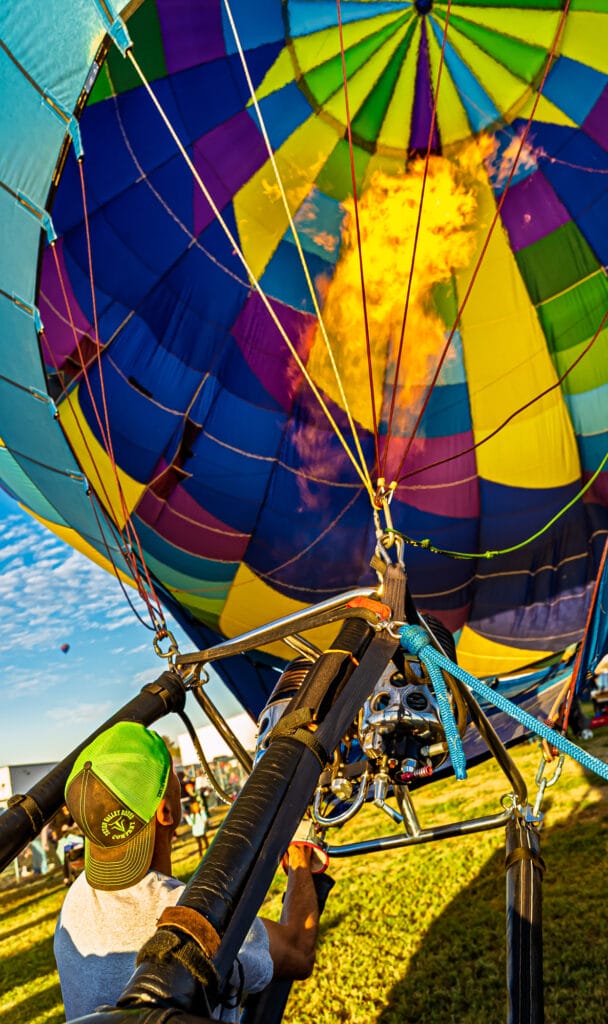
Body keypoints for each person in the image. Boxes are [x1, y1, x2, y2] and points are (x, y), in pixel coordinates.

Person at [54, 721, 322, 1022]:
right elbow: (299, 951)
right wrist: (300, 852)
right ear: (167, 811)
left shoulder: (72, 904)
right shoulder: (189, 917)